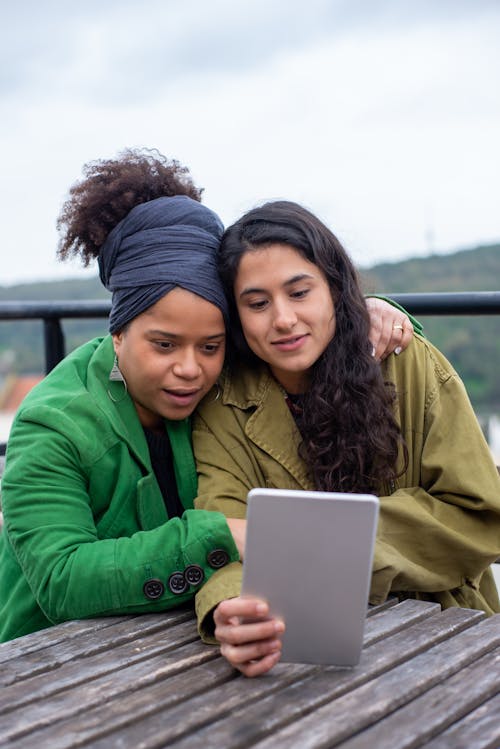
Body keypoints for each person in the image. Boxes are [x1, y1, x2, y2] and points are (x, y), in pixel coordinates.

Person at [0, 151, 412, 642]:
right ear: (117, 333)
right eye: (163, 344)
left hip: (186, 642)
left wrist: (369, 314)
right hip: (51, 662)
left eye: (211, 346)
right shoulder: (51, 425)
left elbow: (298, 334)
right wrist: (220, 536)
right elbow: (60, 580)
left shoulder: (227, 374)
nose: (190, 369)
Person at [191, 200, 500, 677]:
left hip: (444, 626)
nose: (284, 319)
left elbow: (479, 515)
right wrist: (232, 610)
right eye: (257, 303)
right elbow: (222, 530)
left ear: (335, 288)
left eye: (299, 292)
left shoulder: (409, 364)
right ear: (236, 315)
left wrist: (337, 548)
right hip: (296, 639)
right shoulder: (223, 405)